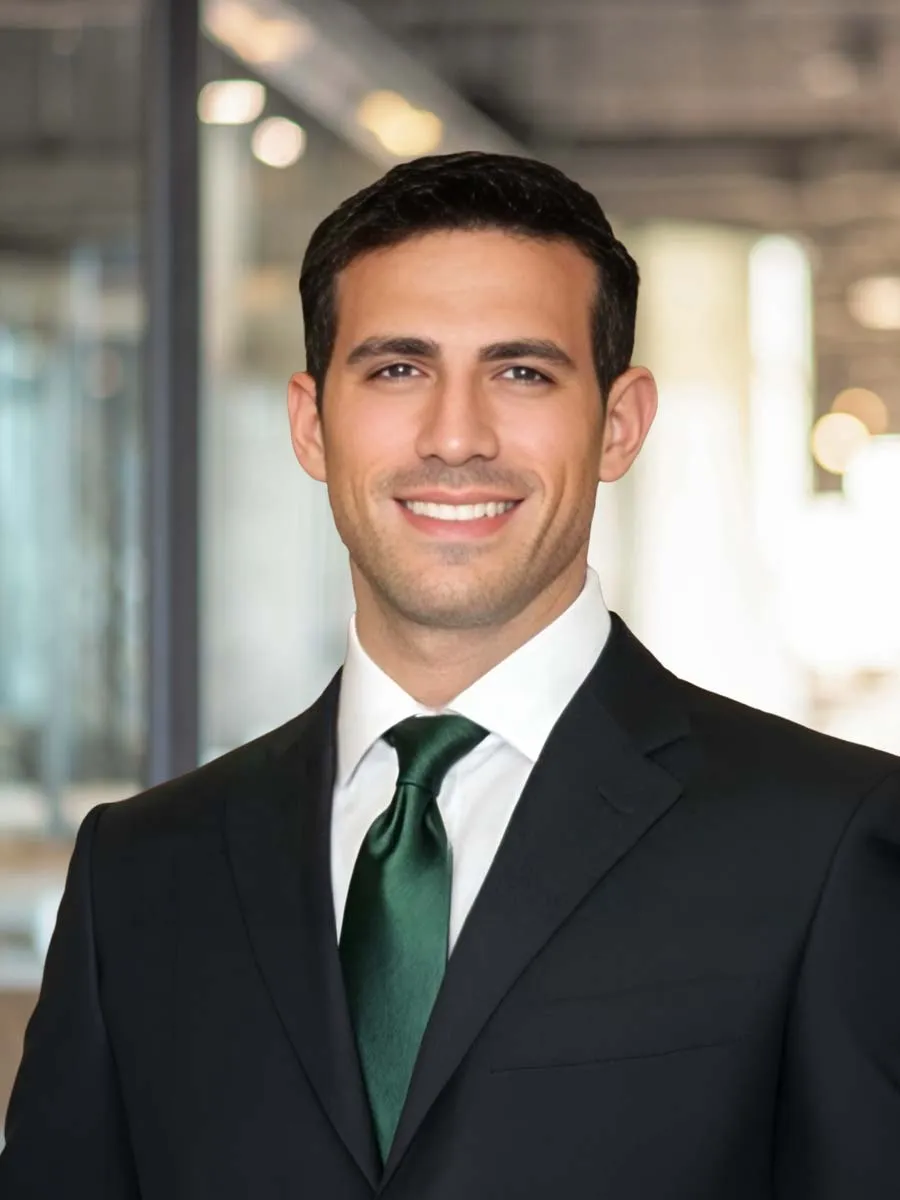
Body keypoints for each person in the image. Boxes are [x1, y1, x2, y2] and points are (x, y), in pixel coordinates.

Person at [2, 151, 899, 1200]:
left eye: (522, 372)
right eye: (397, 370)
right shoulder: (140, 872)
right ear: (309, 422)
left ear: (619, 423)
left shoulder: (826, 842)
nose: (457, 436)